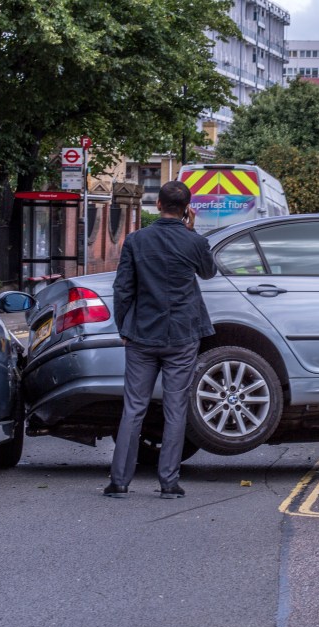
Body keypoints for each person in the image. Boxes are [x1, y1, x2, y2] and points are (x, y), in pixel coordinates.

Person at [105, 181, 217, 499]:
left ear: (157, 205)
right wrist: (193, 231)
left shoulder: (137, 240)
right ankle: (168, 482)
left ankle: (119, 481)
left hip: (141, 334)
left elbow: (123, 288)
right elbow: (209, 273)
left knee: (134, 407)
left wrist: (123, 328)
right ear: (187, 208)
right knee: (176, 408)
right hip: (182, 336)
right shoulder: (193, 241)